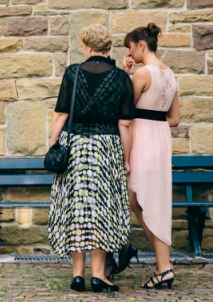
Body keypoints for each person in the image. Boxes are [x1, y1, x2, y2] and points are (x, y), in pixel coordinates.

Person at [48, 24, 135, 293]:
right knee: (100, 211)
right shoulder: (122, 78)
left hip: (74, 146)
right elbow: (126, 125)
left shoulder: (72, 73)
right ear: (107, 48)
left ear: (86, 46)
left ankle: (78, 274)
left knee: (77, 210)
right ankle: (99, 275)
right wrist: (126, 159)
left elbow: (60, 114)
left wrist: (53, 144)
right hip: (106, 148)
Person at [122, 23, 180, 290]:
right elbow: (174, 119)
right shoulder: (170, 75)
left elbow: (125, 111)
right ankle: (163, 264)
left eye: (131, 49)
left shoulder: (143, 74)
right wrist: (155, 123)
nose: (130, 54)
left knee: (145, 203)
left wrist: (125, 73)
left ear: (141, 45)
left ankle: (164, 266)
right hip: (161, 141)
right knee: (142, 202)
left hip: (144, 142)